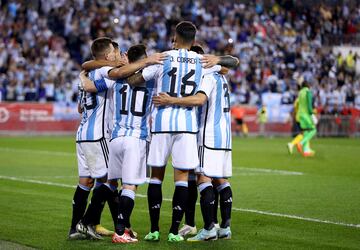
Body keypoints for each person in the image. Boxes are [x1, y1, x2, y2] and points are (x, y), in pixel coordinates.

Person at [78, 44, 166, 243]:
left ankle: (86, 220)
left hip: (115, 138)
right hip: (137, 138)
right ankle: (120, 232)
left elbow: (91, 87)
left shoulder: (114, 78)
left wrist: (82, 77)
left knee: (110, 183)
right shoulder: (152, 79)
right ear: (145, 58)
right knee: (130, 186)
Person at [152, 52, 235, 241]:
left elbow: (199, 100)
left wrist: (170, 100)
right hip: (224, 135)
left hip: (207, 134)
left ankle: (208, 229)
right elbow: (230, 64)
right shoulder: (222, 76)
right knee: (220, 180)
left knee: (202, 179)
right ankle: (224, 227)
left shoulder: (207, 77)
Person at [69, 37, 118, 240]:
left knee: (86, 182)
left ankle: (75, 229)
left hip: (82, 133)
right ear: (107, 55)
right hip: (98, 135)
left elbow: (80, 107)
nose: (117, 55)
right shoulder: (106, 72)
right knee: (111, 180)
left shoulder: (87, 73)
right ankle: (116, 227)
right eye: (114, 52)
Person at [296, 77, 317, 157]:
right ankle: (300, 143)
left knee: (306, 132)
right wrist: (312, 112)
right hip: (306, 114)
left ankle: (306, 151)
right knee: (313, 130)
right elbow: (309, 104)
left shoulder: (300, 92)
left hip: (300, 114)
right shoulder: (308, 92)